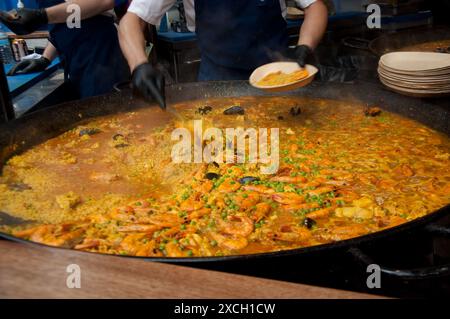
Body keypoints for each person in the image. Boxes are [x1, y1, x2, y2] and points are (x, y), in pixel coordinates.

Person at [118, 0, 328, 109]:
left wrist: (306, 46)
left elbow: (315, 6)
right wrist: (139, 64)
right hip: (216, 81)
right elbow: (133, 19)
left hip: (282, 78)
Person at [0, 0, 130, 99]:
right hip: (74, 63)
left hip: (102, 57)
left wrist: (42, 16)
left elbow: (105, 1)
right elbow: (63, 26)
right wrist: (45, 58)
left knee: (110, 119)